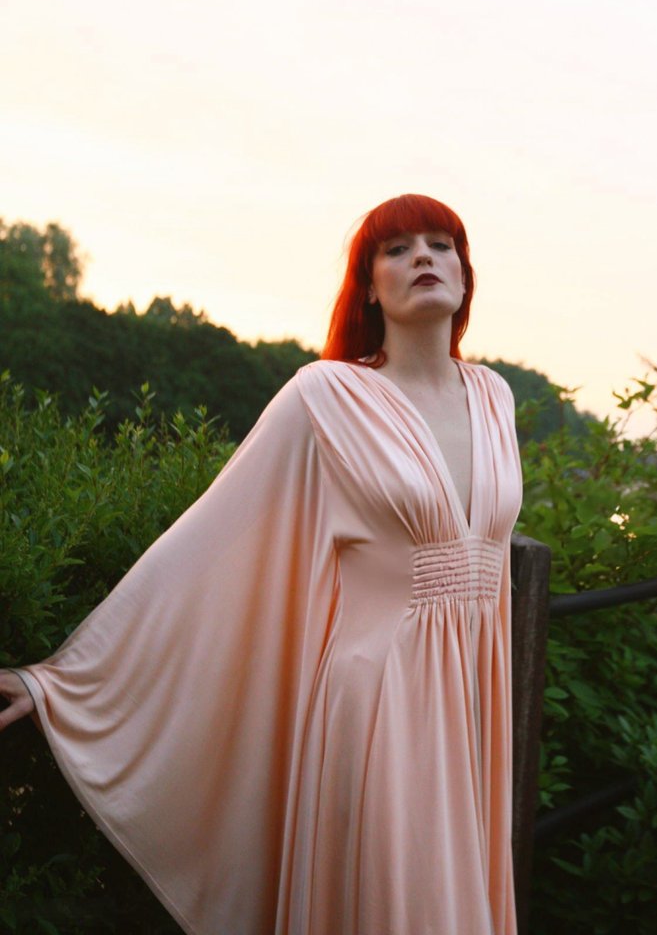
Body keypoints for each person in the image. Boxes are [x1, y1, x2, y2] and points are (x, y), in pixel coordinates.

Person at [0, 193, 523, 935]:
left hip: (473, 705)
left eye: (441, 245)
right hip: (376, 706)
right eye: (398, 249)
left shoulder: (495, 397)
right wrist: (58, 681)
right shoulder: (329, 395)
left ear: (465, 278)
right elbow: (208, 540)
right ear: (370, 287)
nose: (424, 259)